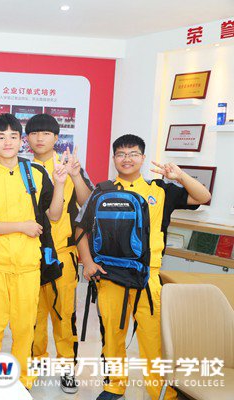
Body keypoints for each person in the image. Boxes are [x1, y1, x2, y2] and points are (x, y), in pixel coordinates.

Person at [75, 134, 211, 400]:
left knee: (152, 339)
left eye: (133, 153)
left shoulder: (160, 189)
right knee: (112, 335)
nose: (127, 159)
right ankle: (115, 385)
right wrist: (88, 263)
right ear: (114, 158)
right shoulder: (102, 191)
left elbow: (202, 196)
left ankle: (161, 392)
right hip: (110, 275)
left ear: (143, 158)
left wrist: (180, 176)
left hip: (148, 277)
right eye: (121, 154)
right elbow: (80, 228)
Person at [0, 113, 66, 389]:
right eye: (1, 137)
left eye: (13, 136)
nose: (8, 142)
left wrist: (60, 183)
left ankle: (23, 380)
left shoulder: (36, 172)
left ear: (21, 140)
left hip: (28, 266)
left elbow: (54, 215)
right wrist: (21, 226)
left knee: (24, 328)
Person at [26, 114, 94, 394]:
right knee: (32, 315)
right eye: (34, 133)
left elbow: (87, 203)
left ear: (56, 137)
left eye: (46, 133)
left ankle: (67, 367)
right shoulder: (22, 168)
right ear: (27, 139)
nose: (39, 138)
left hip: (63, 254)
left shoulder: (68, 165)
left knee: (64, 315)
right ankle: (37, 362)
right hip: (30, 254)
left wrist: (75, 175)